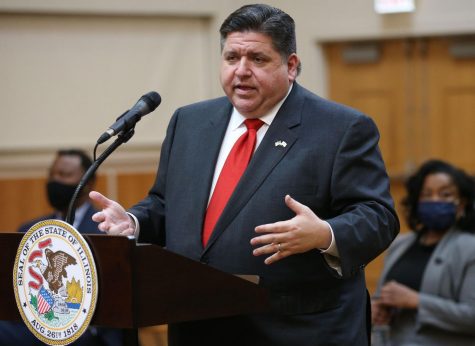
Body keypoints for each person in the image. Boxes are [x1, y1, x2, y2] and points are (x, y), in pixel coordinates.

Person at [90, 4, 399, 346]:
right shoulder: (189, 123)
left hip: (296, 329)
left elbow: (379, 217)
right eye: (231, 57)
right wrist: (133, 222)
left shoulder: (341, 128)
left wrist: (325, 233)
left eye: (258, 59)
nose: (241, 71)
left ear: (291, 65)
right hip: (198, 324)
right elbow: (166, 204)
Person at [0, 149, 124, 346]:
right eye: (52, 174)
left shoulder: (106, 232)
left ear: (88, 183)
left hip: (90, 331)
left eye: (64, 175)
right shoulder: (28, 231)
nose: (55, 180)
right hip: (36, 326)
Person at [371, 159, 475, 345]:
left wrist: (416, 301)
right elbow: (382, 298)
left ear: (462, 204)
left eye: (445, 194)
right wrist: (375, 310)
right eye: (426, 194)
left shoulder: (470, 248)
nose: (435, 200)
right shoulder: (400, 245)